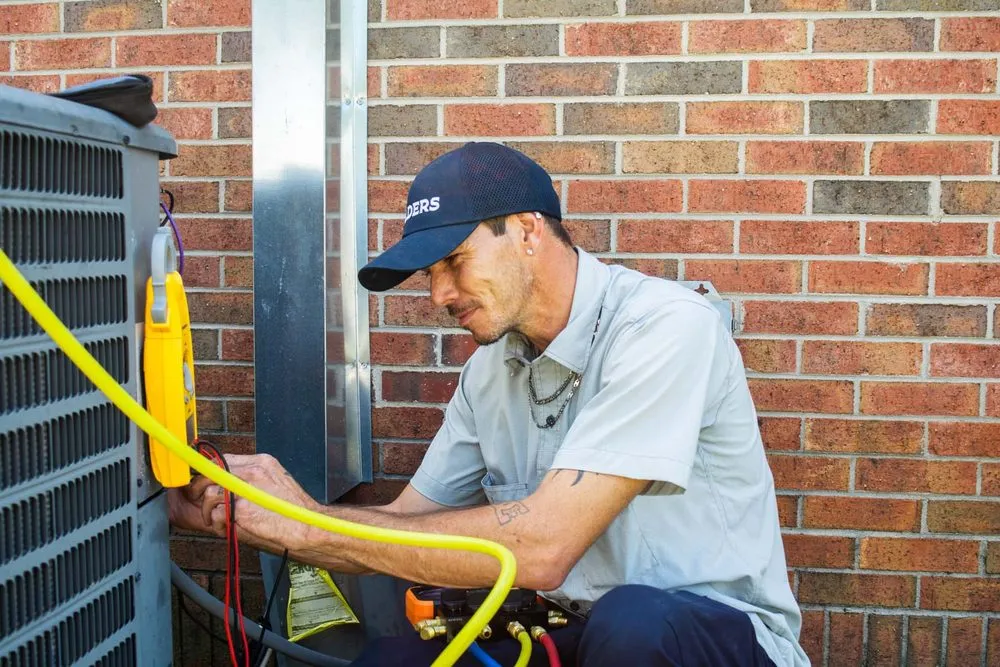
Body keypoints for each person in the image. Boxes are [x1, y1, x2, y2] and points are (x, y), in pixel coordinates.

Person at [170, 142, 810, 667]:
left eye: (455, 260)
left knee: (633, 623)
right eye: (430, 274)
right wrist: (257, 511)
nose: (440, 295)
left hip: (713, 640)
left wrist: (306, 523)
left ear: (528, 231)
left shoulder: (665, 327)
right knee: (390, 663)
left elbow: (541, 548)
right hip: (573, 635)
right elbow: (404, 525)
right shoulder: (491, 371)